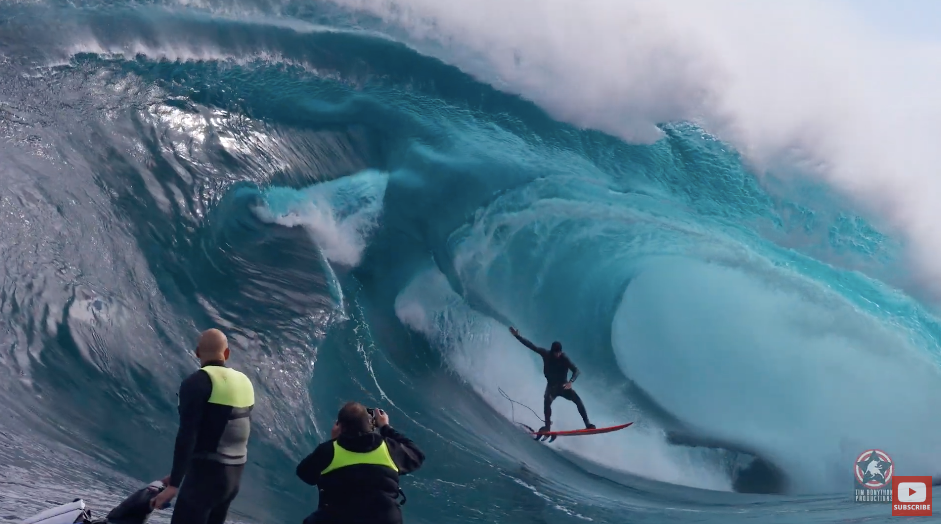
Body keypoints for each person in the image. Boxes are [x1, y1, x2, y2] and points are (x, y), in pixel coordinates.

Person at [150, 328, 256, 524]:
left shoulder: (196, 382)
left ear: (197, 353)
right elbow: (224, 431)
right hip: (232, 480)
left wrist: (174, 485)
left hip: (204, 479)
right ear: (227, 353)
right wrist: (177, 474)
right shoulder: (245, 382)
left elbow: (187, 435)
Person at [296, 402, 425, 524]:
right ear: (370, 423)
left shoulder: (328, 451)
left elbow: (305, 474)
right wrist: (386, 427)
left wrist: (333, 442)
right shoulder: (389, 448)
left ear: (340, 427)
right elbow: (417, 456)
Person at [509, 327, 594, 432]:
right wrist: (517, 336)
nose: (558, 354)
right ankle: (547, 427)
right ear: (552, 351)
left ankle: (588, 424)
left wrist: (570, 382)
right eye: (556, 353)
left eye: (559, 352)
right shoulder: (546, 354)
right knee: (547, 401)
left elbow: (576, 371)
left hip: (563, 386)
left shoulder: (564, 358)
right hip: (552, 387)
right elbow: (531, 346)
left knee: (577, 400)